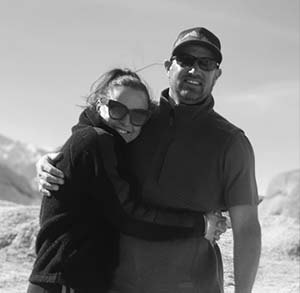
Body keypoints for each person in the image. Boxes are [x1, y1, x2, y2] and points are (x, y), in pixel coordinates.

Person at [36, 27, 261, 293]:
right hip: (113, 284)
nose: (194, 70)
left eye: (206, 63)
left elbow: (246, 227)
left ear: (217, 74)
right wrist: (51, 161)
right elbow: (88, 135)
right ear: (168, 66)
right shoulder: (137, 119)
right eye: (185, 60)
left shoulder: (231, 143)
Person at [28, 68, 226, 293]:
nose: (127, 121)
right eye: (116, 109)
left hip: (64, 280)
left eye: (138, 115)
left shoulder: (101, 143)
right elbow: (128, 214)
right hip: (65, 281)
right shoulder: (97, 141)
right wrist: (200, 225)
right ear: (100, 104)